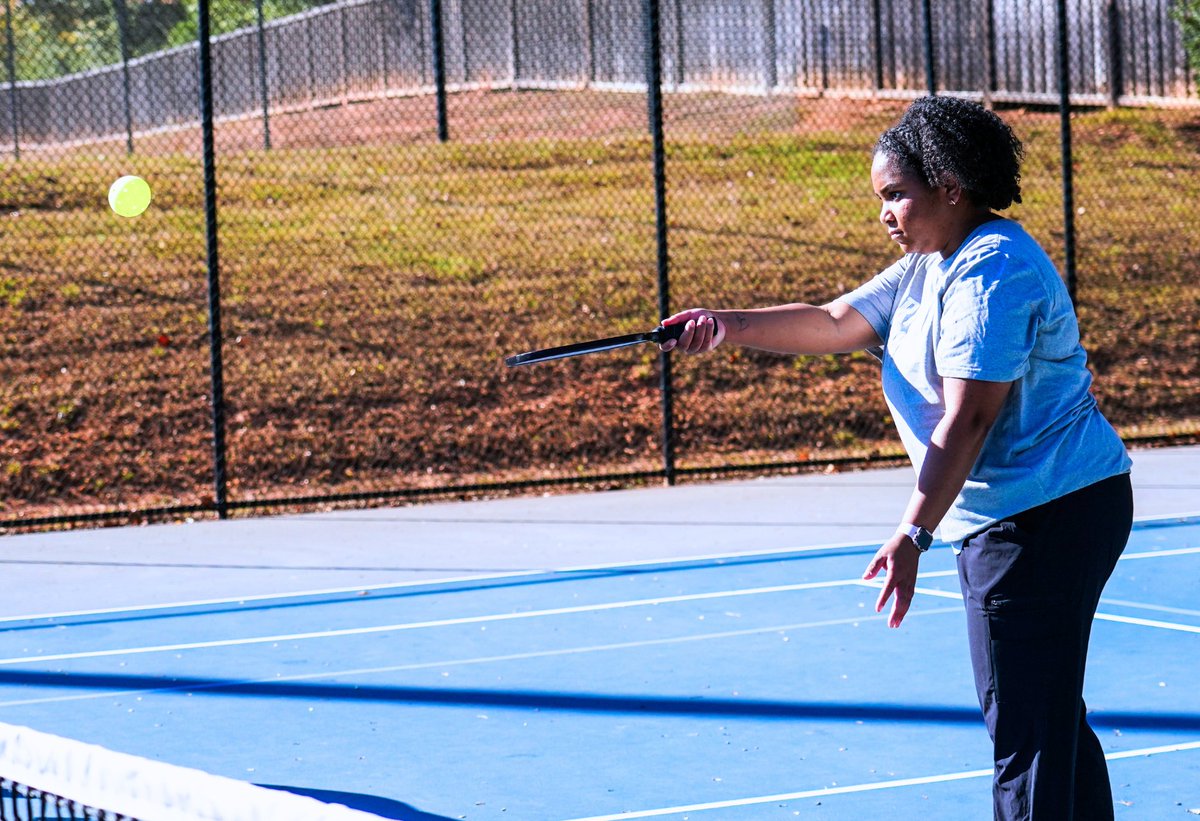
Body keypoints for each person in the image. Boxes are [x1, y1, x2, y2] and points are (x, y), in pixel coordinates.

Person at [660, 95, 1133, 821]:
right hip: (1028, 513)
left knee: (1027, 734)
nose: (885, 212)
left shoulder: (992, 271)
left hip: (1044, 519)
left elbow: (970, 416)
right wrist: (723, 325)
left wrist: (913, 532)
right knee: (1048, 717)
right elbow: (832, 321)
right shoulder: (926, 264)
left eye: (895, 195)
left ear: (949, 186)